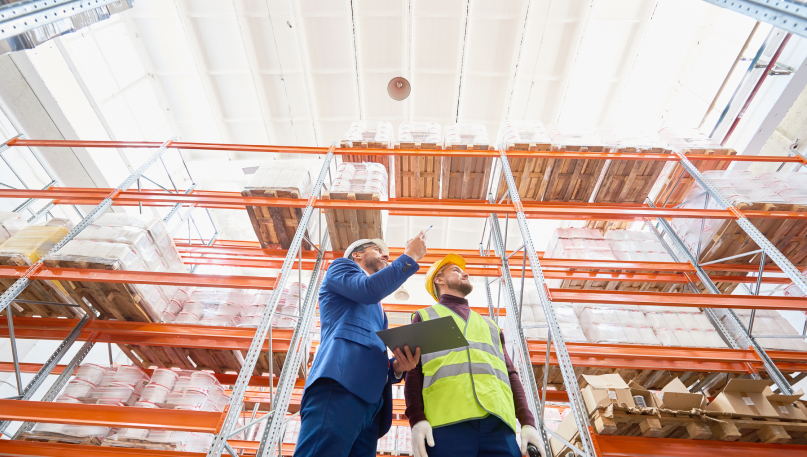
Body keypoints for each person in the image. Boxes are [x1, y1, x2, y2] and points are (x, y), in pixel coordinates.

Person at [294, 234, 427, 457]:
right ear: (357, 255)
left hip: (372, 404)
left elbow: (372, 350)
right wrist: (410, 255)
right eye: (378, 250)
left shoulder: (379, 311)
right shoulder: (341, 268)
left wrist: (396, 367)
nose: (385, 255)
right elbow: (369, 290)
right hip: (340, 385)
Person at [405, 254, 543, 457]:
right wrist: (416, 419)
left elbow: (510, 374)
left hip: (498, 426)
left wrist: (527, 423)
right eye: (456, 270)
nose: (465, 273)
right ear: (439, 279)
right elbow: (414, 372)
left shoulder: (490, 325)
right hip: (447, 424)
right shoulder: (427, 317)